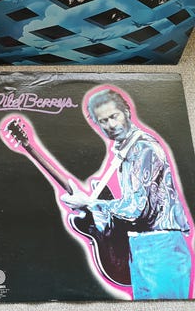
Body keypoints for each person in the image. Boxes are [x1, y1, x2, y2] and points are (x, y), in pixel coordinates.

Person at [61, 86, 193, 299]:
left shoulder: (143, 148)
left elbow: (136, 208)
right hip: (141, 247)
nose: (111, 125)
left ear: (127, 112)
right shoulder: (127, 150)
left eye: (114, 116)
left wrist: (90, 203)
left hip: (161, 247)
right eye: (103, 121)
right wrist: (90, 206)